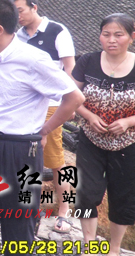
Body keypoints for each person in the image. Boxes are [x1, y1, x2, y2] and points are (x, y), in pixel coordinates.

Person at [0, 0, 84, 255]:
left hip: (20, 152)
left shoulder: (33, 59)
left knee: (18, 225)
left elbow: (74, 97)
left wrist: (45, 129)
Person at [13, 0, 76, 234]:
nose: (18, 16)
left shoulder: (57, 31)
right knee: (26, 158)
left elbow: (70, 68)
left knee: (57, 160)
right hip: (25, 106)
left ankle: (65, 211)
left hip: (50, 105)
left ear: (34, 7)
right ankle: (28, 208)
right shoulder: (18, 37)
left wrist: (69, 102)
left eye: (20, 10)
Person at [72, 13, 135, 256]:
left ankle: (115, 249)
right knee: (85, 193)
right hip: (91, 140)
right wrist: (88, 116)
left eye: (119, 34)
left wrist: (128, 121)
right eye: (106, 34)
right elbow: (70, 97)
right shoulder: (87, 61)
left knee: (124, 196)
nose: (112, 40)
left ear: (131, 37)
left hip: (128, 143)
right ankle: (89, 244)